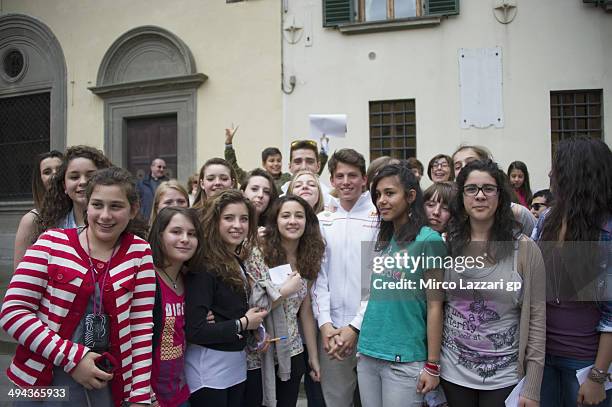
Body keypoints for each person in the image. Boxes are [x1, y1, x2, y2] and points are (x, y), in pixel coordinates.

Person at [0, 166, 155, 406]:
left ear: (133, 210)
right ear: (87, 205)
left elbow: (142, 326)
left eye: (116, 206)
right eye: (97, 205)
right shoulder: (51, 242)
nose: (105, 215)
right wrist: (74, 359)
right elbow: (13, 312)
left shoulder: (140, 252)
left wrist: (140, 396)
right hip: (41, 384)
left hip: (104, 386)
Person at [441, 159, 546, 407]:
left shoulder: (525, 249)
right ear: (462, 196)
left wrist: (531, 388)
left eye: (488, 189)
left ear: (500, 196)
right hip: (452, 372)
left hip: (505, 376)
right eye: (471, 189)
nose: (480, 196)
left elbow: (537, 320)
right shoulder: (444, 244)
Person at [357, 164, 446, 407]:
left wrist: (432, 365)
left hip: (405, 358)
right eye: (377, 195)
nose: (381, 201)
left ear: (410, 196)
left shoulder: (430, 240)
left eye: (389, 193)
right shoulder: (381, 239)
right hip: (368, 353)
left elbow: (435, 306)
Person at [535, 137, 611, 407]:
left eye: (557, 167)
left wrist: (598, 377)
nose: (550, 174)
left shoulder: (606, 233)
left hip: (585, 363)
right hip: (542, 357)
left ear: (578, 174)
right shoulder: (546, 220)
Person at [184, 190, 268, 406]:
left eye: (244, 219)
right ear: (215, 222)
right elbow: (195, 330)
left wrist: (254, 330)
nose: (237, 225)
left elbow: (229, 313)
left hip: (235, 366)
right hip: (208, 371)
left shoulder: (234, 259)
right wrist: (243, 323)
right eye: (229, 218)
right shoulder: (203, 265)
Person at [312, 149, 378, 407]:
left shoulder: (379, 218)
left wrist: (355, 327)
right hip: (332, 332)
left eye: (353, 175)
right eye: (340, 175)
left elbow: (378, 278)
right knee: (336, 401)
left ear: (364, 179)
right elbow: (318, 277)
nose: (346, 181)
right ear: (332, 180)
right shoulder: (322, 221)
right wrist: (326, 324)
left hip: (369, 328)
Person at [253, 195, 325, 406]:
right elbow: (254, 308)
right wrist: (284, 291)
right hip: (260, 348)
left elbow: (305, 311)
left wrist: (313, 356)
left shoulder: (309, 257)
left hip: (292, 349)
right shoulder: (259, 253)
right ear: (276, 221)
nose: (292, 221)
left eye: (299, 216)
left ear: (307, 222)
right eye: (286, 216)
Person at [149, 207, 202, 407]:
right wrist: (145, 392)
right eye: (176, 232)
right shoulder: (147, 277)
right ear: (160, 235)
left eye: (192, 234)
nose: (185, 239)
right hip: (148, 396)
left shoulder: (189, 279)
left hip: (179, 392)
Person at [451, 145, 536, 237]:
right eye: (457, 166)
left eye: (471, 162)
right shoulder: (453, 213)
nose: (464, 168)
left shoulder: (518, 214)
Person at [39, 145, 112, 235]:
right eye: (74, 177)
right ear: (64, 186)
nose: (83, 182)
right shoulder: (53, 229)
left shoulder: (117, 222)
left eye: (91, 176)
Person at [223, 126, 328, 189]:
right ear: (264, 164)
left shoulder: (288, 179)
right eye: (271, 161)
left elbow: (310, 174)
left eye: (278, 160)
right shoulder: (255, 179)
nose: (276, 164)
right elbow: (234, 168)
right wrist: (228, 144)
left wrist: (324, 149)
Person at [13, 150, 63, 268]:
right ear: (39, 180)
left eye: (59, 170)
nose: (55, 175)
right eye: (47, 172)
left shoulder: (81, 213)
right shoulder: (31, 220)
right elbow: (19, 274)